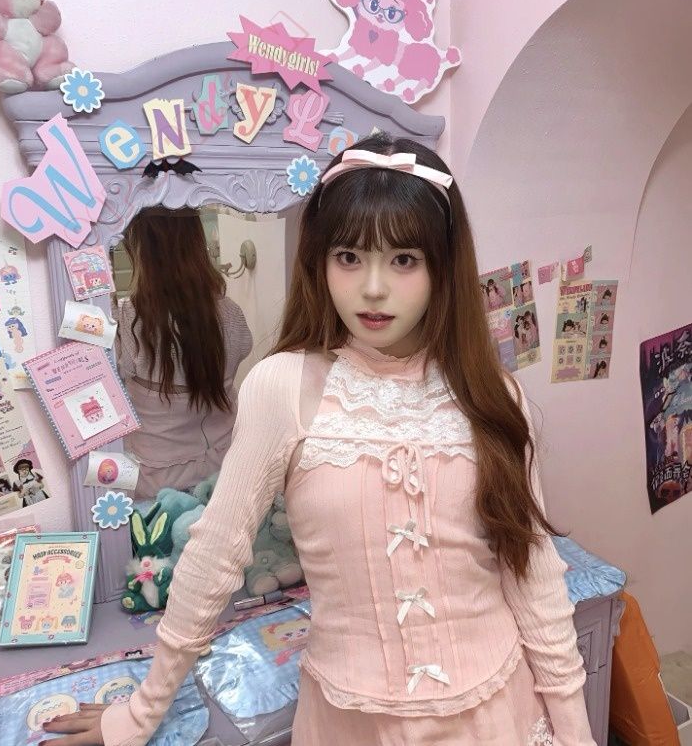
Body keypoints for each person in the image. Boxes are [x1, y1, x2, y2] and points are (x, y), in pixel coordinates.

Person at [48, 136, 594, 745]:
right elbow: (214, 556)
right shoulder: (283, 386)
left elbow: (532, 573)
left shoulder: (492, 394)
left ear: (443, 265)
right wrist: (139, 713)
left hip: (498, 714)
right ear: (320, 261)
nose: (373, 288)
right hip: (351, 720)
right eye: (349, 256)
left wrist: (576, 735)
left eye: (405, 259)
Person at [114, 207, 253, 499]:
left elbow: (119, 373)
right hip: (223, 464)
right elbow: (242, 350)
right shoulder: (230, 314)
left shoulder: (129, 319)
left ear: (141, 253)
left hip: (156, 476)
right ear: (197, 245)